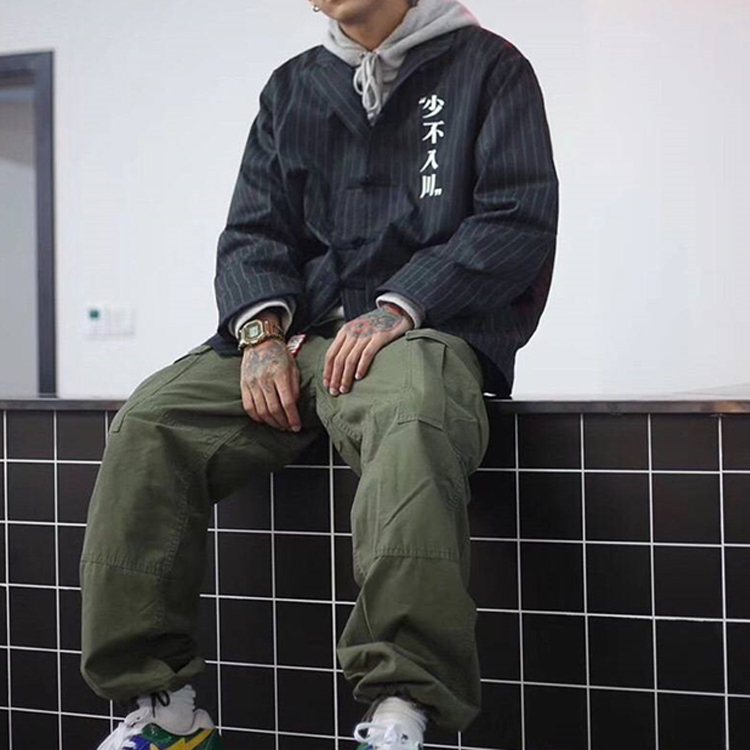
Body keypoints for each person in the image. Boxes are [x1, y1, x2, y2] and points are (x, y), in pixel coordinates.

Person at [81, 0, 558, 748]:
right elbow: (254, 229)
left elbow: (515, 218)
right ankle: (161, 706)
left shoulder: (489, 69)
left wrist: (402, 304)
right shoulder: (294, 86)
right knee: (150, 420)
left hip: (421, 330)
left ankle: (403, 706)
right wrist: (260, 332)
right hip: (299, 331)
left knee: (412, 413)